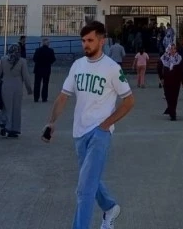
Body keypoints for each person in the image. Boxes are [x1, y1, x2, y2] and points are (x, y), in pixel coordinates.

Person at [43, 21, 135, 229]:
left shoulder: (112, 68)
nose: (86, 44)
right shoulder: (77, 65)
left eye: (90, 40)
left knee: (84, 189)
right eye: (83, 40)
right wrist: (51, 122)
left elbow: (129, 101)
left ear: (102, 41)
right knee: (90, 179)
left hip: (99, 134)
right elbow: (63, 97)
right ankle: (110, 207)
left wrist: (106, 124)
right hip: (79, 132)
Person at [0, 44, 33, 138]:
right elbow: (26, 76)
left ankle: (3, 124)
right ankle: (12, 129)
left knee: (5, 106)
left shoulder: (3, 59)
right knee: (15, 109)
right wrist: (29, 89)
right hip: (17, 87)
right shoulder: (22, 61)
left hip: (5, 86)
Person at [161, 45, 183, 121]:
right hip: (167, 80)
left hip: (176, 81)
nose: (172, 50)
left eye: (174, 49)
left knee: (174, 97)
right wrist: (161, 78)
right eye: (171, 49)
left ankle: (173, 114)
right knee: (168, 96)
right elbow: (159, 67)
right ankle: (170, 109)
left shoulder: (179, 58)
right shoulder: (164, 57)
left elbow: (181, 70)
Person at [33, 38, 57, 102]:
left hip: (38, 69)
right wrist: (48, 62)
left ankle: (36, 98)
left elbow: (34, 59)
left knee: (37, 84)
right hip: (46, 69)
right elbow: (53, 59)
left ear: (42, 43)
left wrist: (38, 62)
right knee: (45, 84)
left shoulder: (38, 50)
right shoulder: (50, 50)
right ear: (47, 43)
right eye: (48, 43)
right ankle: (44, 98)